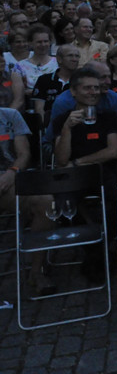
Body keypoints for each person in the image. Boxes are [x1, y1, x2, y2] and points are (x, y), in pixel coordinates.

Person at [0, 106, 56, 295]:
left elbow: (23, 154)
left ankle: (36, 272)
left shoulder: (9, 115)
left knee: (46, 201)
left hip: (9, 180)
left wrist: (11, 172)